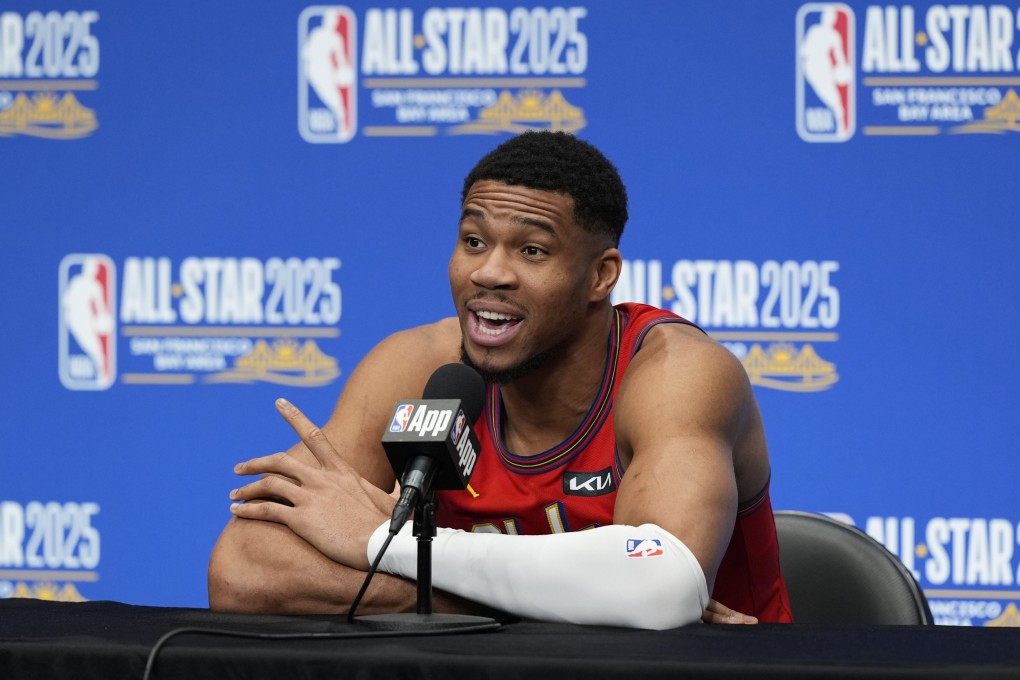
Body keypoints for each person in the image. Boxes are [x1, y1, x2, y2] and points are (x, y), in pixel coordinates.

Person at [208, 131, 792, 629]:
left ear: (600, 276)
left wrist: (382, 544)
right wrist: (565, 604)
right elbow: (245, 571)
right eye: (474, 241)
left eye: (533, 251)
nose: (489, 272)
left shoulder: (676, 373)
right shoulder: (416, 367)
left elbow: (659, 584)